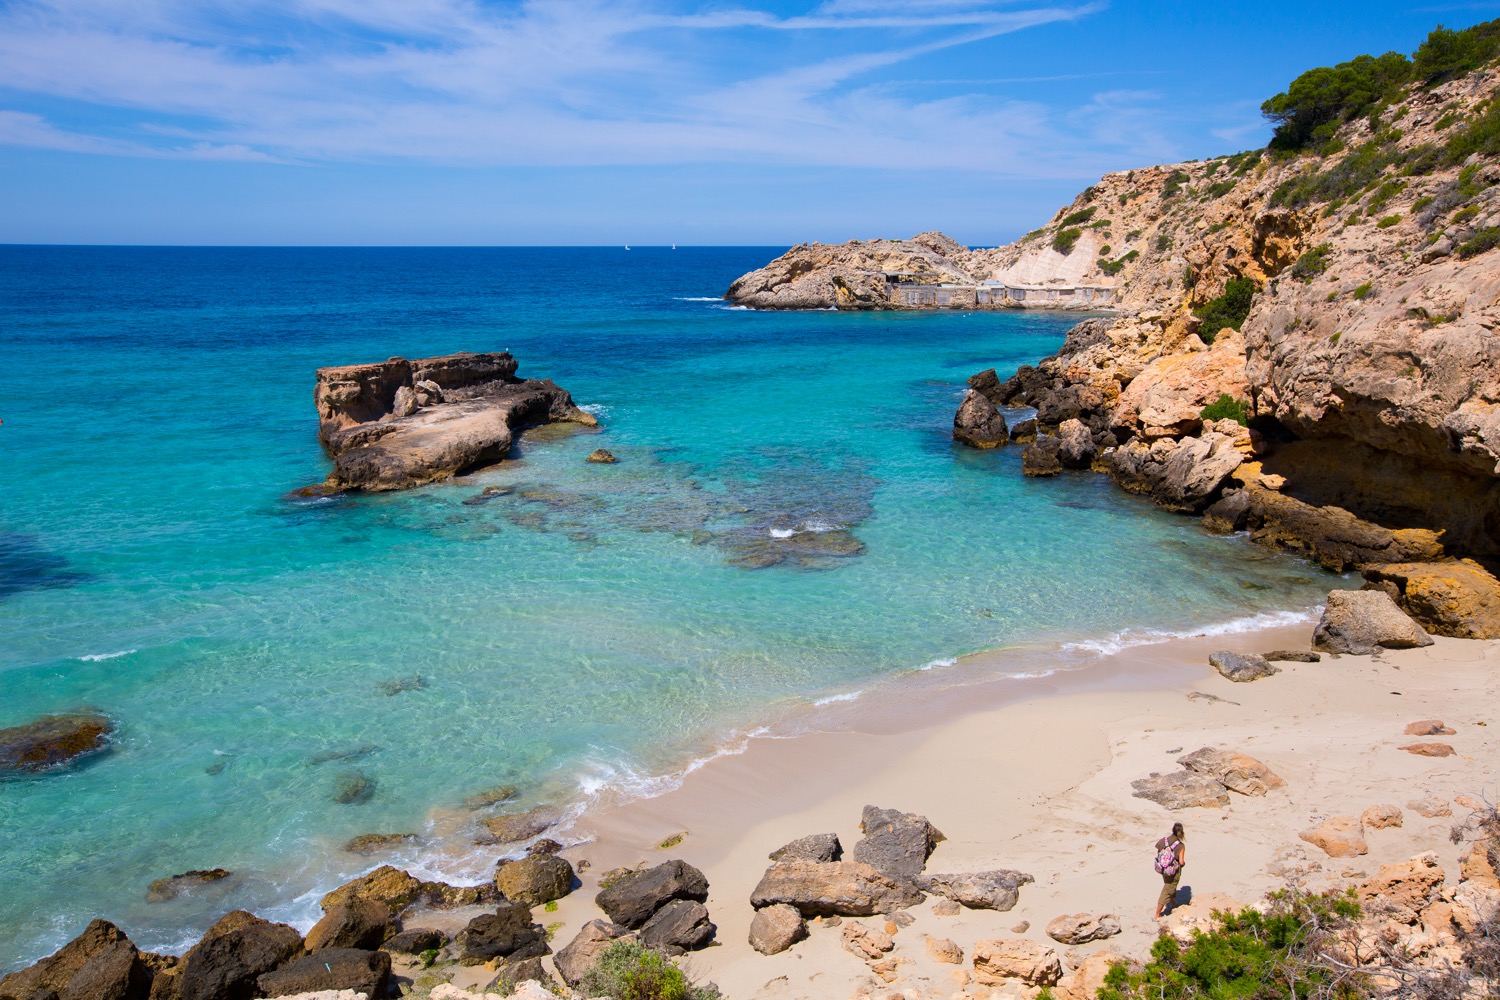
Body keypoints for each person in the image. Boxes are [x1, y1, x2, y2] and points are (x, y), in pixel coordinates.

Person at [1153, 822, 1186, 918]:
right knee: (1168, 889)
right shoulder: (1181, 846)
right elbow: (1181, 862)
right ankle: (1157, 913)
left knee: (1169, 886)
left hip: (1163, 869)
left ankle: (1172, 901)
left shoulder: (1164, 840)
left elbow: (1158, 852)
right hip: (1172, 871)